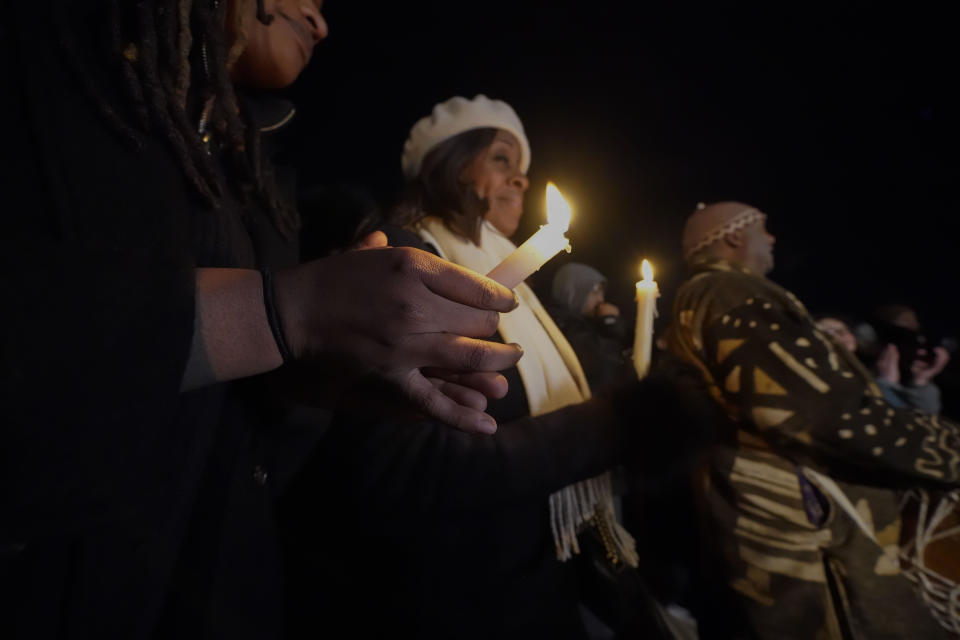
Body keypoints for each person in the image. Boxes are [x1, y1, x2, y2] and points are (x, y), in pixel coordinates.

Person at [1, 3, 527, 638]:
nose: (321, 21)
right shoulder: (62, 70)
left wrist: (324, 373)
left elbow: (237, 436)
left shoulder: (245, 165)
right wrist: (283, 313)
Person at [281, 95, 713, 639]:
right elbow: (397, 465)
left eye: (526, 169)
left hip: (546, 573)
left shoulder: (520, 290)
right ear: (450, 161)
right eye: (502, 159)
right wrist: (609, 426)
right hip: (461, 595)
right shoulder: (408, 257)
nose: (522, 180)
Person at [664, 201, 960, 639]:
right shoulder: (727, 291)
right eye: (764, 229)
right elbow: (816, 414)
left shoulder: (712, 294)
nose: (773, 239)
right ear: (733, 237)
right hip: (810, 543)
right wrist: (945, 449)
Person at [549, 262, 631, 392]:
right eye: (595, 292)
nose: (601, 300)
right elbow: (604, 371)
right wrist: (610, 325)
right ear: (574, 290)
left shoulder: (580, 324)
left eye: (602, 293)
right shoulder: (567, 327)